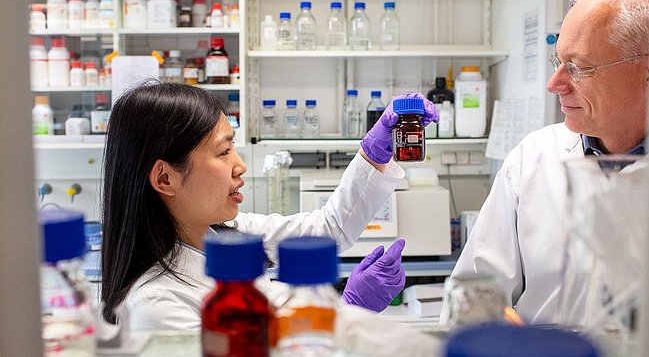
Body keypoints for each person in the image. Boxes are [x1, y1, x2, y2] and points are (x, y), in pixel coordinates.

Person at [100, 82, 438, 330]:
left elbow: (329, 228)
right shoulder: (156, 306)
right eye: (223, 151)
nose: (240, 165)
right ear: (165, 179)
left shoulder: (230, 236)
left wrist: (374, 152)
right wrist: (347, 313)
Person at [443, 0, 649, 324]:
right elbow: (474, 302)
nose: (554, 84)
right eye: (558, 62)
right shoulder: (533, 158)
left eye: (579, 68)